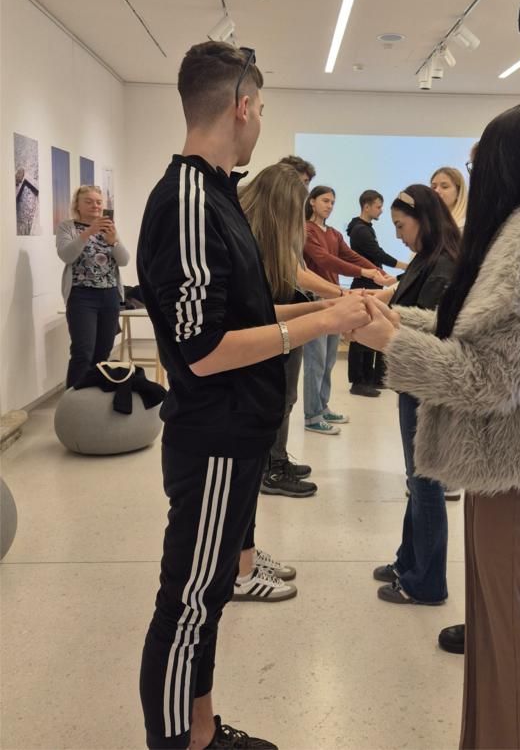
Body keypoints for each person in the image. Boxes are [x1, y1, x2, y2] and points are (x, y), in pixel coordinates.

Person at [136, 41, 370, 750]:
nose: (261, 120)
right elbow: (204, 350)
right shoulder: (186, 200)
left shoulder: (217, 193)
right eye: (261, 107)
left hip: (236, 435)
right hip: (214, 437)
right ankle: (181, 741)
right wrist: (320, 323)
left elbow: (245, 313)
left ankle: (202, 728)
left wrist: (325, 311)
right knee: (188, 605)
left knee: (208, 598)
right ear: (241, 107)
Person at [350, 103, 520, 750]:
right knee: (494, 638)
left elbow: (493, 378)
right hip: (500, 467)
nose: (471, 177)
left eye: (477, 164)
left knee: (512, 647)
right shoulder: (519, 237)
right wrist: (394, 323)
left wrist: (391, 342)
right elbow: (466, 332)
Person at [370, 185, 460, 605]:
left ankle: (427, 582)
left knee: (425, 483)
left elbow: (427, 330)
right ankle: (409, 561)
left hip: (424, 384)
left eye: (401, 226)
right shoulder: (428, 258)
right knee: (418, 479)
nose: (398, 235)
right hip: (414, 381)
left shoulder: (441, 265)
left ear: (423, 220)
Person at [239, 164, 317, 498]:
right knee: (277, 399)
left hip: (283, 330)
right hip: (273, 335)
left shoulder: (268, 242)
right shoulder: (252, 245)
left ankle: (277, 459)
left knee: (285, 397)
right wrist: (325, 309)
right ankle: (271, 468)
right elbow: (260, 310)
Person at [303, 185, 394, 435]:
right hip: (316, 301)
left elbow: (350, 256)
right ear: (312, 202)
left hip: (336, 299)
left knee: (329, 359)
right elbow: (325, 260)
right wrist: (365, 272)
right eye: (325, 201)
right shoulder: (306, 230)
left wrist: (378, 272)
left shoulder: (333, 233)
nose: (329, 206)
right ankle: (311, 416)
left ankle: (322, 407)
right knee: (315, 360)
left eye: (332, 202)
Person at [56, 185, 129, 387]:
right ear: (77, 205)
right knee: (82, 352)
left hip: (110, 295)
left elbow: (124, 261)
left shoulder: (109, 227)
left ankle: (93, 398)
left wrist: (113, 242)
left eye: (98, 202)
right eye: (88, 201)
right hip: (81, 296)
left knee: (103, 352)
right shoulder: (67, 227)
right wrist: (88, 232)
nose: (95, 205)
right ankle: (73, 399)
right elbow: (66, 255)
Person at [346, 190, 407, 397]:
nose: (381, 210)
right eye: (378, 206)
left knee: (371, 328)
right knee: (361, 333)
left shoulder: (365, 228)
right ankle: (358, 381)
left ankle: (370, 377)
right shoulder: (360, 230)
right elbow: (377, 254)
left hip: (373, 282)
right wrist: (404, 266)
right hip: (364, 283)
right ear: (367, 207)